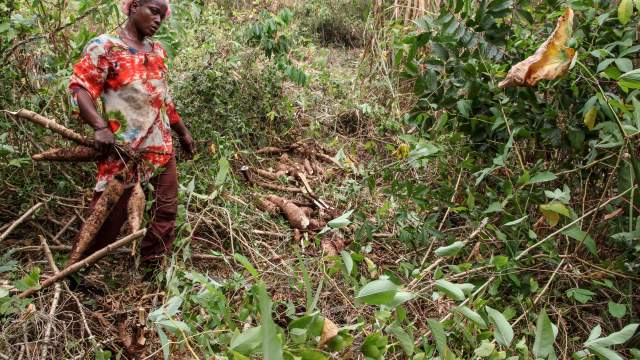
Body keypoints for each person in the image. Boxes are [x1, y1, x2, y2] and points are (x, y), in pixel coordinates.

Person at [68, 0, 194, 265]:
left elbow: (163, 99)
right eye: (154, 11)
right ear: (134, 6)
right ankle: (76, 272)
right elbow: (79, 89)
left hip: (161, 148)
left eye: (163, 15)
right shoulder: (105, 47)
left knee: (166, 211)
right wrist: (100, 126)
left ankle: (153, 266)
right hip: (124, 151)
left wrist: (182, 132)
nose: (159, 19)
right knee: (107, 218)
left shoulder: (157, 51)